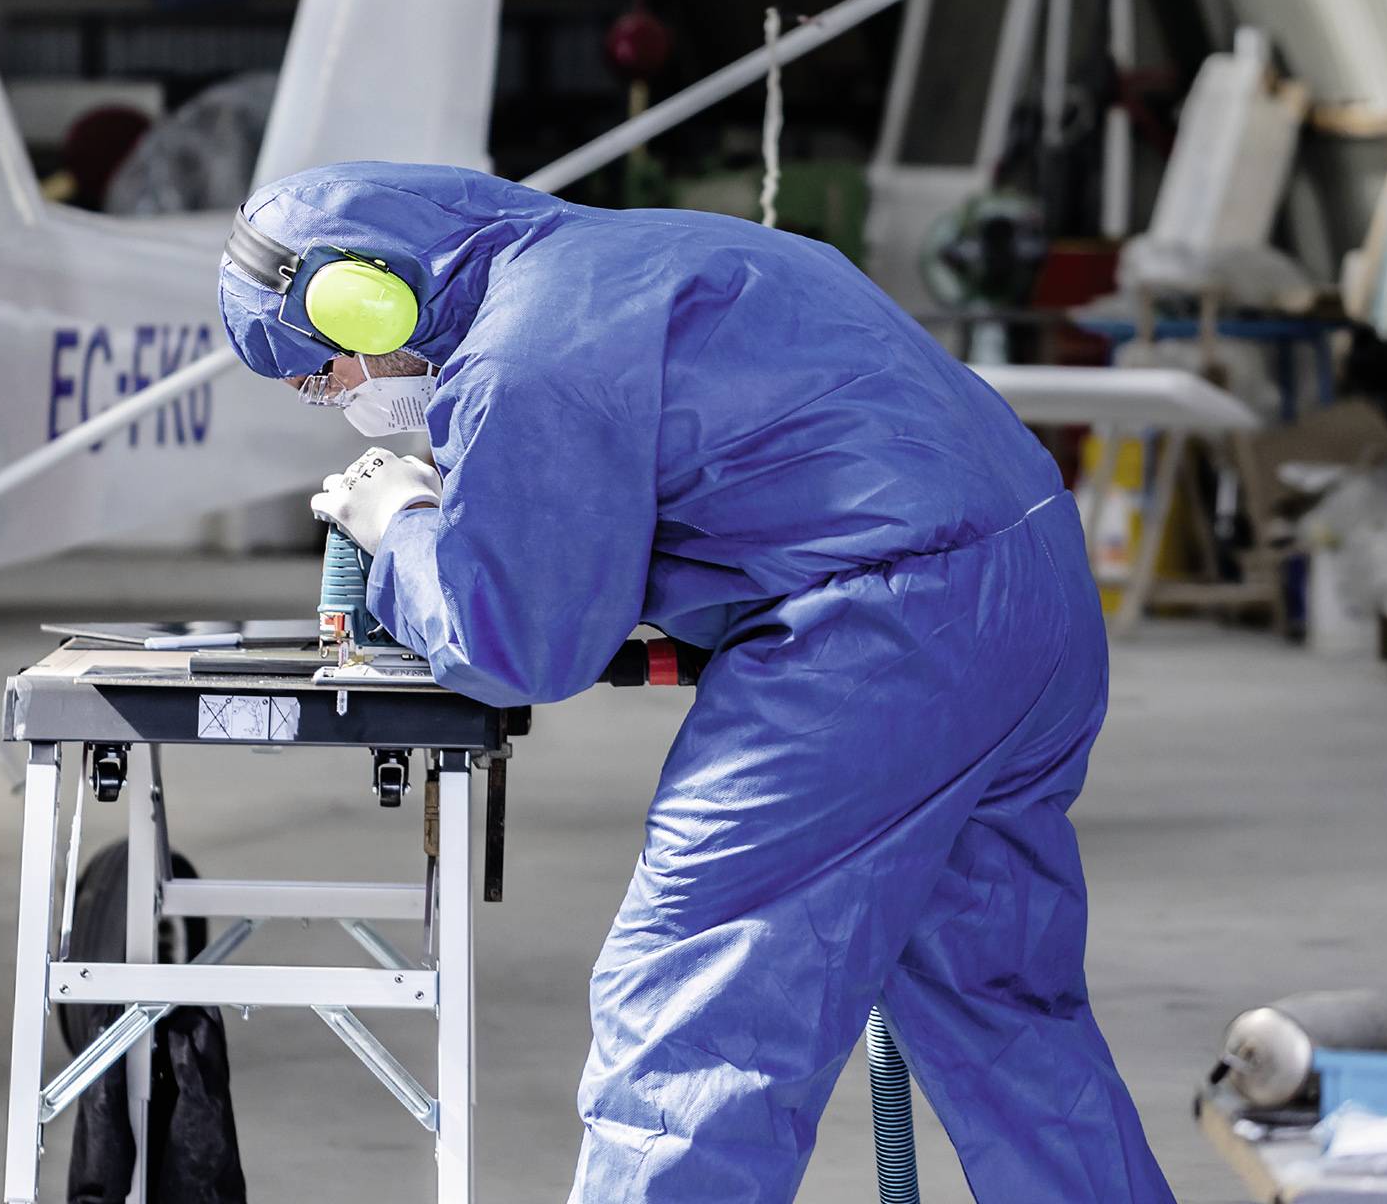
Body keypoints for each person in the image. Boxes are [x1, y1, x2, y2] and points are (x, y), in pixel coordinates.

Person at [217, 162, 1170, 1204]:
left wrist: (399, 528)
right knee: (1002, 1016)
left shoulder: (521, 359)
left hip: (881, 637)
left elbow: (515, 648)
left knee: (694, 1016)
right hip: (1033, 593)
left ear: (368, 298)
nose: (339, 401)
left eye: (324, 375)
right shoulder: (634, 255)